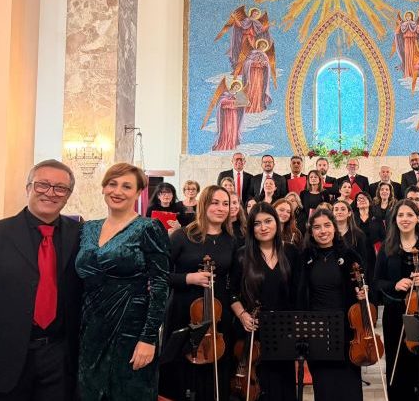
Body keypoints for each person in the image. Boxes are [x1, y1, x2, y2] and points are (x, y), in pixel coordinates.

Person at [76, 163, 170, 400]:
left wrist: (148, 339)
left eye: (127, 186)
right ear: (103, 188)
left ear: (139, 193)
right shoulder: (87, 228)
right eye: (112, 184)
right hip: (90, 331)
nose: (117, 191)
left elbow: (160, 285)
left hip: (131, 332)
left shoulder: (149, 227)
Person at [0, 160, 82, 401]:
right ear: (28, 187)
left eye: (60, 188)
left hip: (60, 357)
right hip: (3, 357)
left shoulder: (81, 236)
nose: (50, 193)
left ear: (68, 195)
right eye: (42, 185)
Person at [159, 186, 238, 401]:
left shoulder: (231, 241)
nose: (221, 208)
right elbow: (158, 275)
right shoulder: (182, 236)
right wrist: (188, 278)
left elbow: (234, 282)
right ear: (203, 204)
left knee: (213, 378)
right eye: (215, 202)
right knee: (182, 377)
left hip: (216, 316)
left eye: (225, 203)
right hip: (183, 314)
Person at [374, 199, 419, 400]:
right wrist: (394, 285)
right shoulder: (387, 247)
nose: (404, 219)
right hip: (396, 317)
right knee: (399, 370)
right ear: (394, 219)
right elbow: (376, 282)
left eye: (409, 215)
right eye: (400, 215)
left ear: (417, 218)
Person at [231, 202, 298, 401]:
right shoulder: (242, 255)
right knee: (256, 388)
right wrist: (242, 315)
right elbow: (232, 293)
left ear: (277, 223)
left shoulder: (292, 252)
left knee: (282, 388)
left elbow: (299, 292)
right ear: (251, 228)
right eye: (257, 223)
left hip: (284, 332)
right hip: (253, 331)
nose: (263, 227)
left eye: (268, 221)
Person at [295, 209, 364, 401]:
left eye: (327, 225)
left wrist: (363, 293)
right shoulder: (305, 258)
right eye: (317, 227)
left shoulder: (350, 256)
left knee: (348, 388)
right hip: (316, 331)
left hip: (346, 331)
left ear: (334, 227)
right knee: (323, 387)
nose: (322, 231)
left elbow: (366, 289)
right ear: (311, 231)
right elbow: (299, 294)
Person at [334, 199, 375, 281]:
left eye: (343, 209)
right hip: (333, 277)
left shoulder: (359, 235)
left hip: (352, 279)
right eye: (336, 209)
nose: (339, 211)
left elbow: (364, 261)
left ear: (349, 213)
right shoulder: (329, 235)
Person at [242, 38, 273, 114]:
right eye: (261, 45)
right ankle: (248, 108)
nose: (262, 47)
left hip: (260, 75)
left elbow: (267, 66)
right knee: (251, 89)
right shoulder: (252, 53)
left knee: (258, 90)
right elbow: (246, 63)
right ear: (258, 45)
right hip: (252, 75)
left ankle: (257, 108)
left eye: (264, 46)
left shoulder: (264, 55)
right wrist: (253, 63)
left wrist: (265, 65)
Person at [211, 79, 243, 151]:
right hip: (227, 114)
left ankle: (231, 145)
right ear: (232, 86)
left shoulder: (238, 95)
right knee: (227, 129)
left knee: (233, 129)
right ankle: (225, 144)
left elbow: (244, 103)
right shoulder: (225, 93)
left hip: (234, 114)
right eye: (236, 87)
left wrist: (240, 101)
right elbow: (221, 101)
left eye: (238, 88)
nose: (236, 89)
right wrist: (233, 101)